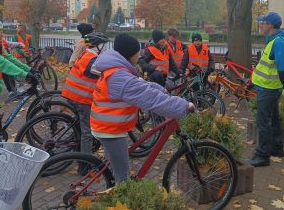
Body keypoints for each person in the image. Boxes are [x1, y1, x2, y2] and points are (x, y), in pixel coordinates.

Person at [90, 33, 195, 183]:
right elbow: (152, 100)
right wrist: (184, 105)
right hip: (110, 130)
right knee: (123, 177)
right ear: (129, 54)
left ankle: (113, 187)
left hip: (106, 126)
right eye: (137, 52)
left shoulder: (117, 70)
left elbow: (141, 84)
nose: (139, 55)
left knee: (116, 165)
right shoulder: (120, 77)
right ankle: (120, 203)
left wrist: (161, 90)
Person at [0, 15, 39, 141]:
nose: (2, 33)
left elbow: (9, 58)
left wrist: (29, 69)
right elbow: (3, 63)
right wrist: (25, 75)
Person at [61, 33, 108, 162]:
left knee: (81, 127)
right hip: (81, 99)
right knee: (87, 132)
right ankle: (85, 164)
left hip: (71, 94)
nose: (105, 48)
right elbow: (106, 73)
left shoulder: (86, 54)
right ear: (98, 46)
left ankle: (79, 150)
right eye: (104, 45)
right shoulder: (93, 60)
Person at [249, 12, 284, 167]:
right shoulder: (273, 40)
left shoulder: (278, 42)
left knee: (263, 122)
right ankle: (277, 148)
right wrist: (252, 82)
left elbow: (283, 68)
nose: (261, 25)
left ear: (270, 25)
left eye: (263, 22)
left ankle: (262, 156)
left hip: (268, 90)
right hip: (267, 87)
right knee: (274, 119)